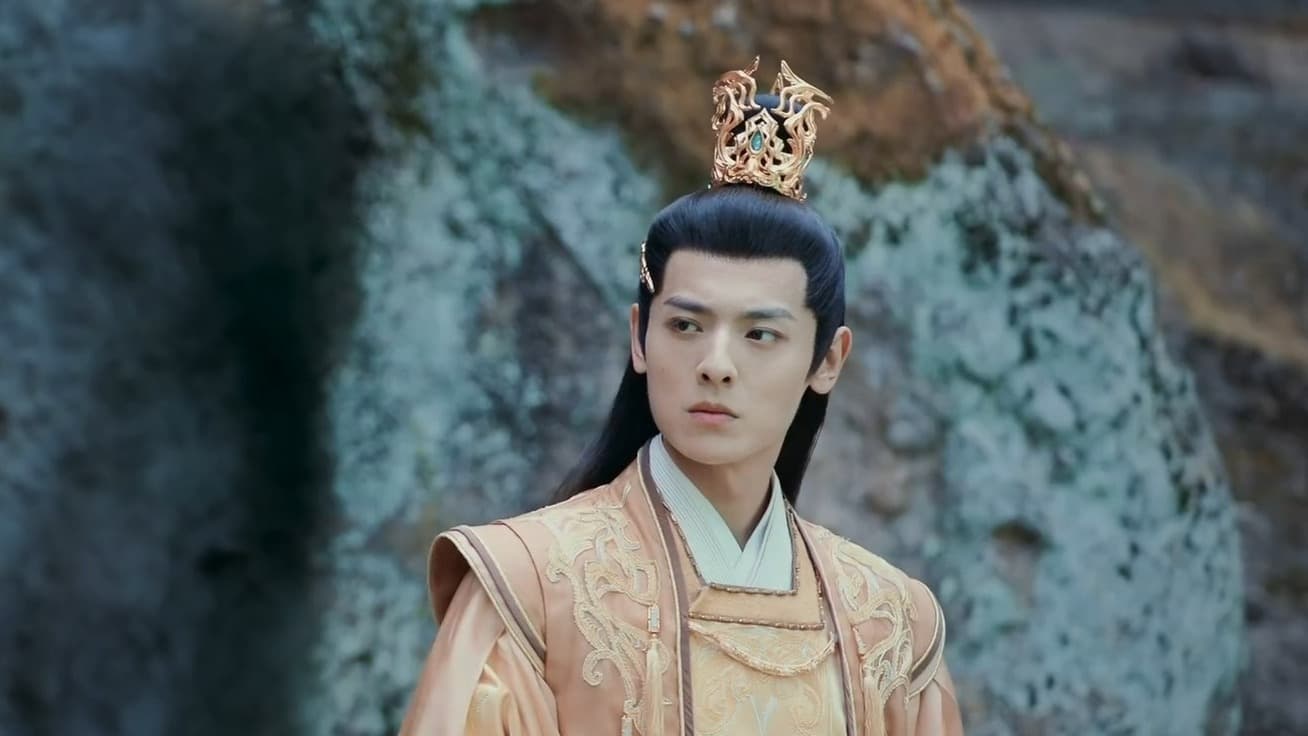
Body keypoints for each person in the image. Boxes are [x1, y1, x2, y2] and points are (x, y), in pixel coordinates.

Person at [398, 57, 964, 736]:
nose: (715, 365)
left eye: (760, 334)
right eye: (687, 326)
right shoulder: (528, 587)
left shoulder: (893, 627)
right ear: (640, 339)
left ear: (828, 360)